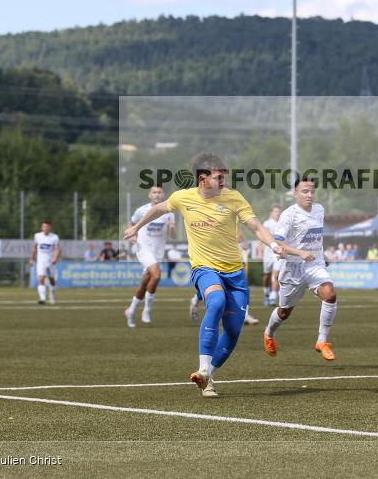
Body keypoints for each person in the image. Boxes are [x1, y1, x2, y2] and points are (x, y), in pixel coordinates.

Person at [124, 152, 300, 398]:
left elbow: (256, 227)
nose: (223, 182)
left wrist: (274, 245)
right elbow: (158, 209)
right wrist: (136, 226)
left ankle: (208, 376)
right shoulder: (182, 198)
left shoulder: (234, 198)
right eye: (219, 178)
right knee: (215, 301)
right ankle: (203, 368)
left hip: (234, 273)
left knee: (233, 330)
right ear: (202, 179)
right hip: (204, 268)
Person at [264, 179, 337, 361]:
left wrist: (322, 254)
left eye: (312, 191)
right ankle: (269, 332)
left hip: (315, 264)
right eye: (305, 192)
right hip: (292, 268)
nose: (309, 195)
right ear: (296, 194)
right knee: (284, 312)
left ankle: (322, 341)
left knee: (330, 294)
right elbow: (278, 240)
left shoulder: (319, 210)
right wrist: (299, 252)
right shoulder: (289, 215)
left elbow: (315, 237)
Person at [124, 185, 176, 327]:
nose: (157, 194)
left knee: (144, 283)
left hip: (158, 252)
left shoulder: (169, 212)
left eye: (159, 192)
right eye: (154, 192)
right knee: (157, 275)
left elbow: (173, 236)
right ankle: (146, 310)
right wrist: (133, 235)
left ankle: (131, 310)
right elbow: (131, 224)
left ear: (163, 194)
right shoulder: (141, 210)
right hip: (143, 248)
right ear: (149, 195)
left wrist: (172, 228)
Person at [29, 219, 61, 305]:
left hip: (50, 261)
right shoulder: (37, 236)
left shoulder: (54, 237)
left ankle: (52, 294)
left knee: (51, 280)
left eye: (47, 226)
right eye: (44, 226)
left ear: (50, 227)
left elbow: (57, 249)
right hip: (40, 261)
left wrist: (55, 258)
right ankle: (42, 298)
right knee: (41, 278)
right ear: (41, 227)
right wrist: (32, 258)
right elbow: (34, 247)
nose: (45, 228)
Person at [262, 205, 283, 307]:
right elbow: (262, 236)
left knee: (276, 275)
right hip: (268, 254)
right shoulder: (267, 223)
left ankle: (273, 297)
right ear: (271, 212)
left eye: (279, 211)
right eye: (276, 211)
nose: (278, 213)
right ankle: (266, 294)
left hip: (277, 253)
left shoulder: (282, 224)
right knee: (266, 276)